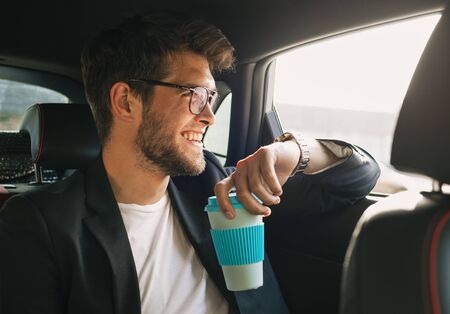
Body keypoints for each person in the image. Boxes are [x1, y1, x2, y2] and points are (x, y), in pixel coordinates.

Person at [0, 11, 380, 314]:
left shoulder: (221, 190)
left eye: (212, 99)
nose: (210, 117)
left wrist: (291, 151)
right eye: (196, 96)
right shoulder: (41, 223)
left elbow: (357, 176)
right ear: (126, 101)